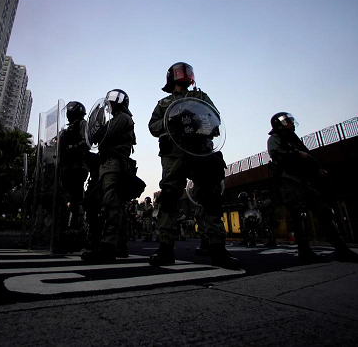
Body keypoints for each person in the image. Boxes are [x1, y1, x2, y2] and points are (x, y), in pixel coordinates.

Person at [148, 62, 240, 269]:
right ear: (171, 77)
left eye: (186, 71)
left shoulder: (200, 98)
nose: (185, 75)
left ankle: (217, 249)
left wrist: (197, 119)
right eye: (180, 72)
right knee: (169, 198)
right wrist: (171, 121)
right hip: (174, 155)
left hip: (201, 151)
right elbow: (153, 127)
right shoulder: (163, 104)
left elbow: (215, 119)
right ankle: (165, 249)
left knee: (210, 198)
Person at [267, 112, 358, 264]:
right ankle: (305, 251)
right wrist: (296, 154)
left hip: (306, 180)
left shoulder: (293, 140)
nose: (291, 124)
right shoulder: (275, 139)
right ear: (279, 124)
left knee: (324, 212)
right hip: (290, 180)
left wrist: (316, 169)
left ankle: (341, 249)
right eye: (287, 122)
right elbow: (276, 155)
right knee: (298, 214)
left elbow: (308, 157)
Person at [81, 89, 137, 262]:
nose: (109, 106)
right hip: (108, 163)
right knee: (115, 205)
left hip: (115, 163)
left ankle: (108, 247)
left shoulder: (123, 118)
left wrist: (97, 124)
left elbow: (102, 135)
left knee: (111, 204)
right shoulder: (118, 119)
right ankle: (119, 245)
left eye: (111, 103)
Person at [58, 101, 90, 251]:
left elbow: (87, 142)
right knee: (65, 200)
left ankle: (78, 232)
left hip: (78, 167)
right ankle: (64, 231)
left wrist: (73, 148)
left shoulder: (82, 124)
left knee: (77, 201)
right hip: (66, 167)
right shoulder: (67, 129)